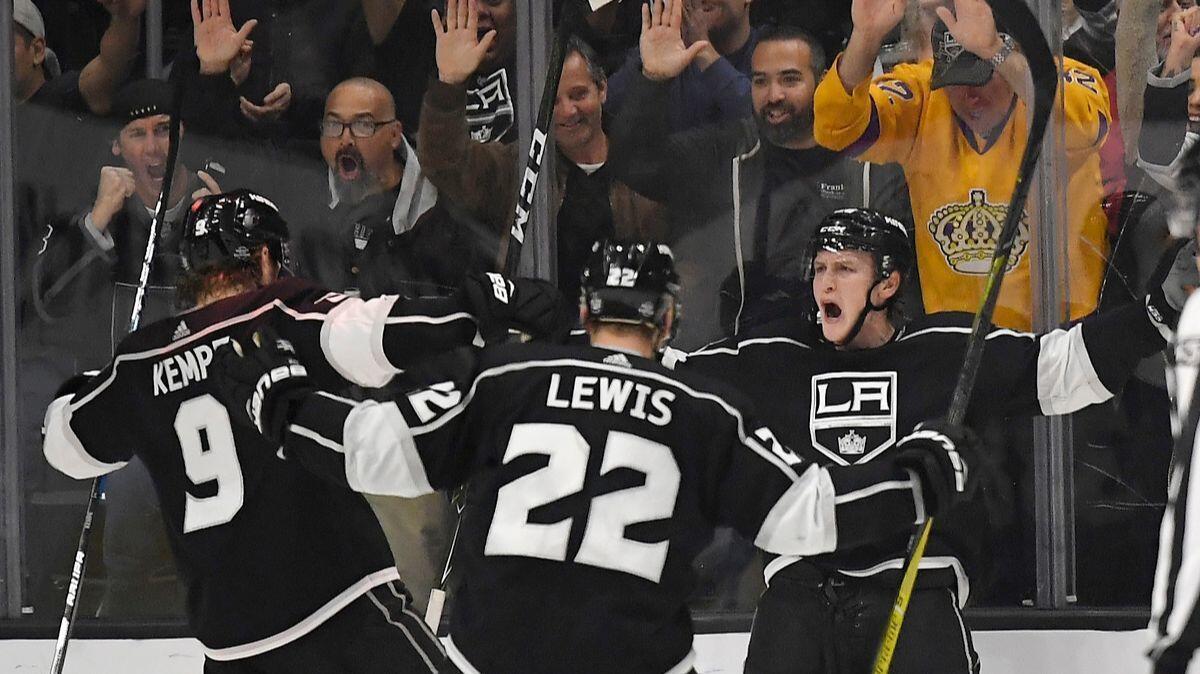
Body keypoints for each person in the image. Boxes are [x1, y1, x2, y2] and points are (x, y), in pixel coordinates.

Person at [212, 239, 980, 674]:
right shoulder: (703, 406)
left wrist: (277, 403)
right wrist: (919, 475)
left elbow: (372, 451)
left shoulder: (511, 379)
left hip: (499, 656)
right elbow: (810, 519)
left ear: (584, 311)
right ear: (670, 318)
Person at [41, 189, 562, 671]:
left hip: (230, 649)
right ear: (265, 258)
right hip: (343, 614)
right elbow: (375, 334)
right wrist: (473, 312)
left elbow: (68, 447)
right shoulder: (281, 309)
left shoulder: (139, 360)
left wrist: (83, 386)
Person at [666, 207, 1183, 673]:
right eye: (820, 269)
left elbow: (1063, 368)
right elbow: (667, 381)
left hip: (918, 585)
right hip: (799, 593)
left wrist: (1155, 313)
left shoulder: (947, 350)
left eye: (845, 268)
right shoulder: (771, 357)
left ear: (887, 283)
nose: (826, 283)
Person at [608, 0, 913, 346]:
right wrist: (654, 79)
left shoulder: (873, 168)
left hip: (848, 360)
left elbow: (902, 287)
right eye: (760, 81)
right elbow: (635, 165)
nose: (774, 96)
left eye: (790, 79)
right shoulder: (727, 151)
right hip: (745, 358)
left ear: (822, 81)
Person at [813, 0, 1111, 331]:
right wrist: (865, 39)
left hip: (1065, 339)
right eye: (955, 78)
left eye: (983, 75)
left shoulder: (1068, 76)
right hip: (958, 344)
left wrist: (994, 51)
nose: (969, 94)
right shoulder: (923, 93)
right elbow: (836, 129)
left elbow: (1081, 127)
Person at [421, 0, 666, 302]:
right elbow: (445, 165)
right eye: (554, 100)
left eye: (579, 95)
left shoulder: (643, 167)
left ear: (602, 88)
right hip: (541, 336)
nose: (568, 111)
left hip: (626, 327)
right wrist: (450, 85)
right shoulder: (518, 164)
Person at [292, 76, 489, 299]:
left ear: (395, 134)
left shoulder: (439, 212)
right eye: (333, 125)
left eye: (363, 125)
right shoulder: (304, 197)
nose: (345, 139)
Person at [605, 0, 761, 132]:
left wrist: (703, 50)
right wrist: (651, 77)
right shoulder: (657, 52)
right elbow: (604, 111)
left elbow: (765, 118)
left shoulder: (772, 50)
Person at [13, 0, 145, 116]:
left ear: (37, 50)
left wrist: (124, 16)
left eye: (3, 42)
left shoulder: (63, 101)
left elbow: (107, 70)